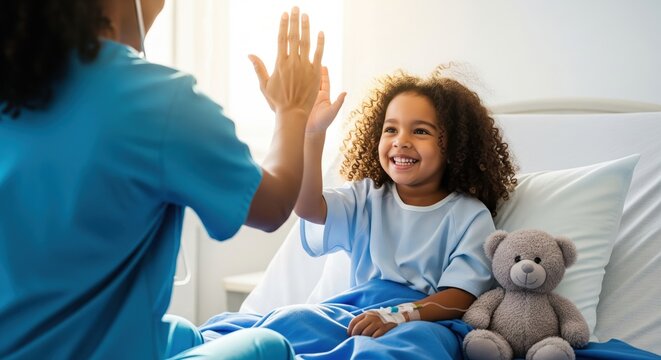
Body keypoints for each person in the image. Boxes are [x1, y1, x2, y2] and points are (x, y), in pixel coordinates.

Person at [0, 1, 323, 358]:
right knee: (269, 346)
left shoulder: (15, 85)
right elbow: (274, 204)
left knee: (182, 332)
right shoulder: (158, 100)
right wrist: (292, 109)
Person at [199, 66, 518, 359]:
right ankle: (206, 346)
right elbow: (308, 206)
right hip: (353, 312)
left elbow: (460, 297)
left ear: (455, 147)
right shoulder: (367, 197)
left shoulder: (469, 215)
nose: (401, 142)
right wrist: (312, 134)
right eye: (390, 130)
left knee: (407, 349)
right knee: (295, 318)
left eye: (420, 131)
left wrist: (401, 314)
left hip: (426, 320)